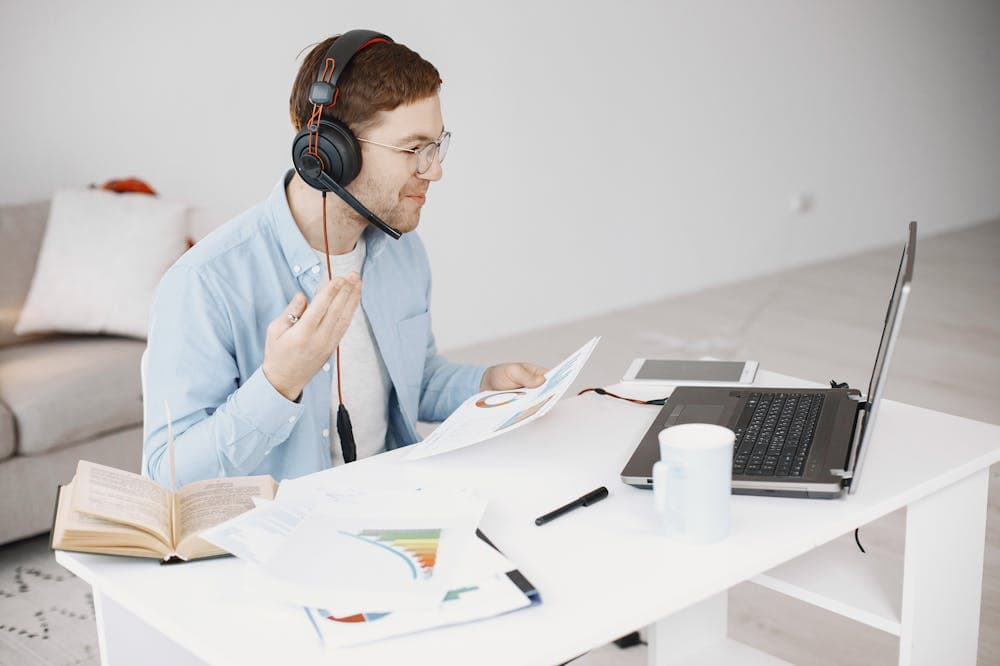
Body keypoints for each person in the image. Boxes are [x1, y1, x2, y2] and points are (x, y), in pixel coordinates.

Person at [142, 31, 547, 487]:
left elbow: (410, 380)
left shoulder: (402, 250)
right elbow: (167, 477)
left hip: (392, 501)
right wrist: (279, 383)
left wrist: (484, 385)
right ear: (331, 152)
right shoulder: (204, 283)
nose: (434, 170)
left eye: (435, 146)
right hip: (284, 525)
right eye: (413, 149)